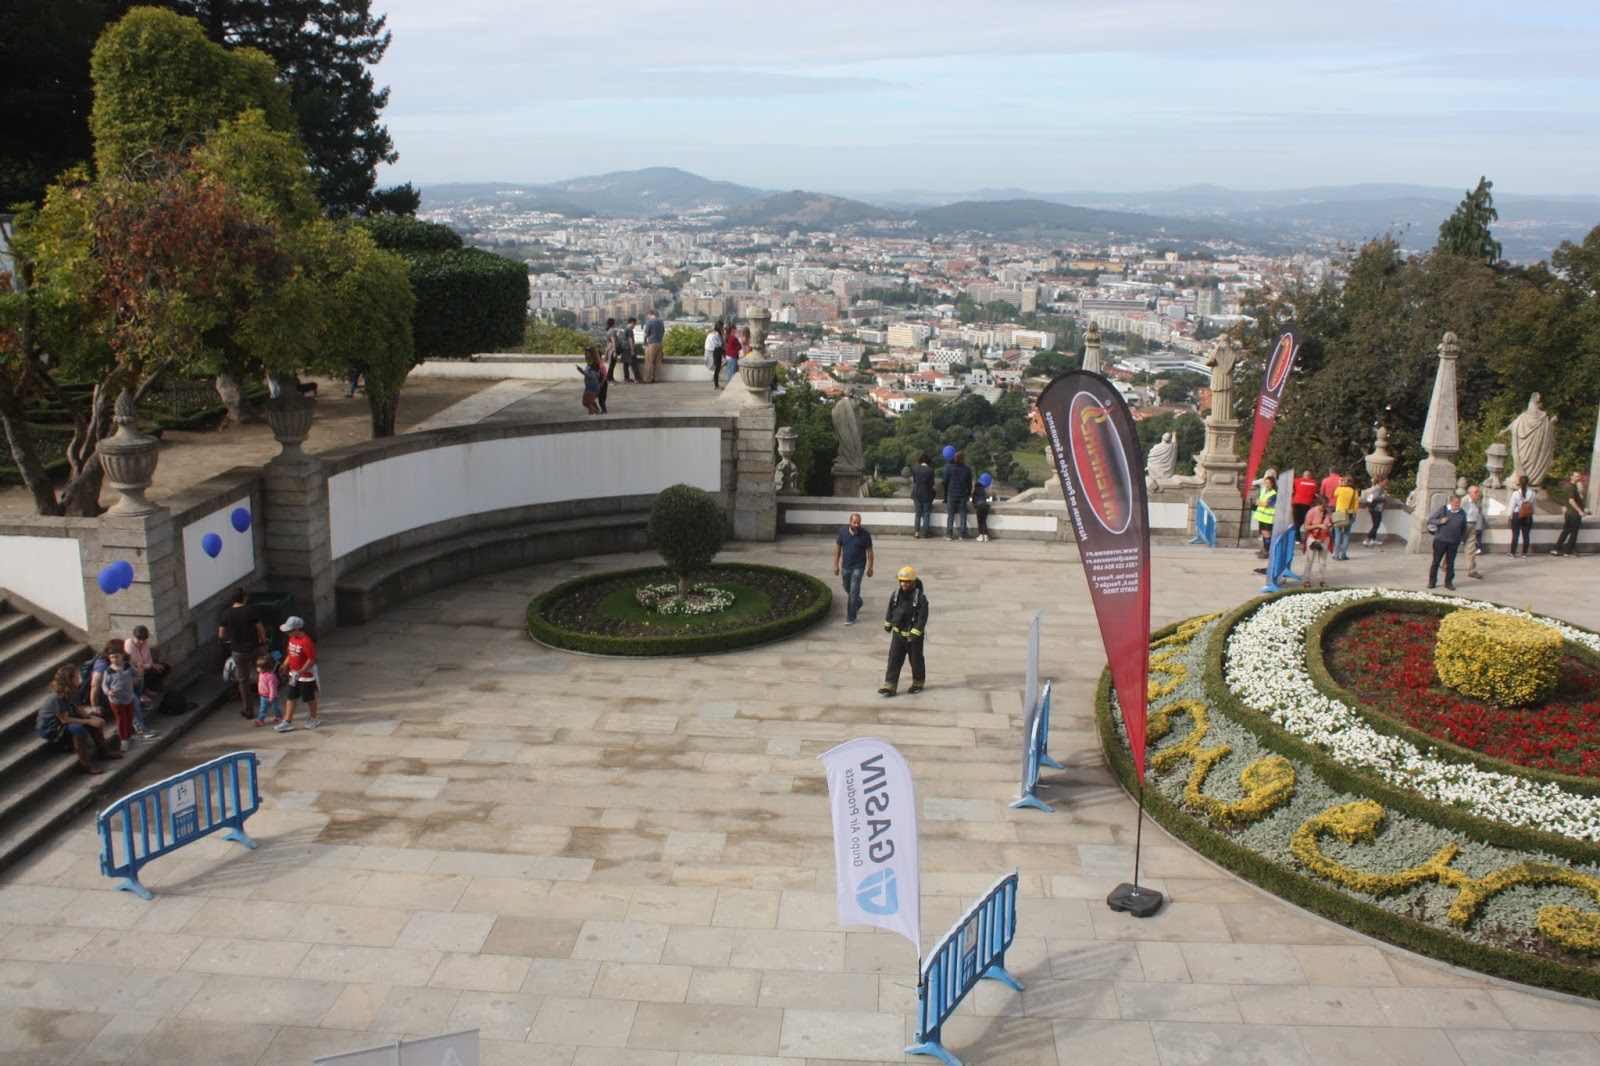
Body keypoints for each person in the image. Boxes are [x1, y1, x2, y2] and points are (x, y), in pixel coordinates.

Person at [36, 664, 122, 775]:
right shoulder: (56, 697)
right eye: (76, 677)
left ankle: (104, 751)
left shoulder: (72, 690)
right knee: (79, 728)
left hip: (65, 719)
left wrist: (91, 718)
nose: (79, 678)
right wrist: (88, 721)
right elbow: (64, 720)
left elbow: (77, 708)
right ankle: (85, 765)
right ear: (69, 679)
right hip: (51, 727)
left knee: (94, 722)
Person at [879, 566, 928, 697]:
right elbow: (890, 610)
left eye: (906, 582)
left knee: (916, 661)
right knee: (893, 660)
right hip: (898, 636)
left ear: (912, 582)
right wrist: (888, 624)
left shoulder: (920, 598)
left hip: (914, 639)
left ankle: (918, 683)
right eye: (901, 581)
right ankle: (890, 686)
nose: (903, 584)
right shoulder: (896, 595)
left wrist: (913, 634)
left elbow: (922, 618)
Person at [218, 587, 267, 715]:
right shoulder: (250, 610)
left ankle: (248, 710)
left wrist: (229, 640)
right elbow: (260, 629)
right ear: (244, 597)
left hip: (238, 651)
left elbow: (221, 634)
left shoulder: (226, 613)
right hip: (255, 648)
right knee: (264, 673)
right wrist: (263, 642)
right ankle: (269, 701)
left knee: (243, 680)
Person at [276, 616, 320, 731]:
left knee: (309, 697)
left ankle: (314, 718)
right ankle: (287, 721)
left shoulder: (306, 642)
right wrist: (285, 665)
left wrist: (302, 671)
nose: (288, 633)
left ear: (297, 629)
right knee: (291, 697)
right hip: (294, 674)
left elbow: (311, 659)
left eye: (290, 631)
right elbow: (290, 654)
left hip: (306, 676)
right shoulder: (292, 639)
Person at [832, 513, 874, 626]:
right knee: (847, 587)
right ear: (850, 522)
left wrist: (870, 567)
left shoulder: (865, 535)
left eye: (858, 523)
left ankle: (851, 617)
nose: (856, 525)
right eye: (854, 522)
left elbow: (870, 551)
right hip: (846, 566)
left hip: (859, 566)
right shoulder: (843, 532)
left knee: (854, 590)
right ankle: (858, 602)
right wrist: (835, 565)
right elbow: (838, 548)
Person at [99, 642, 140, 753]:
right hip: (116, 700)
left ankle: (130, 734)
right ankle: (124, 739)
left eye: (117, 656)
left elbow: (136, 673)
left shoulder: (127, 666)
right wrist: (108, 692)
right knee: (121, 719)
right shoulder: (109, 671)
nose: (115, 659)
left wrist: (140, 670)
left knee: (129, 716)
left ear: (122, 656)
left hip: (128, 697)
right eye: (112, 657)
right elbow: (104, 684)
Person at [1425, 494, 1468, 590]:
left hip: (1454, 542)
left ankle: (1448, 582)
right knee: (1436, 562)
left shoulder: (1462, 513)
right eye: (1456, 502)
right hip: (1440, 541)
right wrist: (1440, 521)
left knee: (1450, 563)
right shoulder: (1442, 510)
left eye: (1459, 503)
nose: (1458, 504)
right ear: (1451, 502)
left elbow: (1464, 527)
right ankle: (1432, 581)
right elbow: (1431, 520)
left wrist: (1460, 538)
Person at [1552, 469, 1590, 556]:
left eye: (1579, 476)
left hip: (1570, 513)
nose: (1578, 478)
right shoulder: (1571, 487)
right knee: (1573, 533)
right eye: (1576, 476)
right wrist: (1580, 511)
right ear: (1571, 477)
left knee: (1566, 531)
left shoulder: (1571, 486)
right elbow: (1571, 500)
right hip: (1573, 513)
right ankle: (1568, 551)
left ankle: (1557, 548)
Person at [1301, 494, 1333, 587]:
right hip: (1313, 537)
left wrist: (1329, 526)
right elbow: (1306, 527)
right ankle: (1307, 580)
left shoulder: (1328, 512)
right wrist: (1318, 526)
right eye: (1323, 506)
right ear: (1318, 504)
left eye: (1326, 506)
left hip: (1324, 537)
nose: (1324, 508)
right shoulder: (1311, 512)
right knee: (1310, 559)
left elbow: (1331, 523)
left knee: (1322, 561)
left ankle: (1322, 580)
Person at [942, 451, 973, 540]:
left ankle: (949, 534)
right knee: (963, 514)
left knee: (950, 514)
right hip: (962, 493)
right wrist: (968, 493)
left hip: (951, 493)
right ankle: (962, 534)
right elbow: (969, 484)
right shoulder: (967, 469)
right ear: (963, 459)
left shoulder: (949, 467)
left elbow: (945, 481)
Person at [1331, 474, 1359, 560]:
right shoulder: (1354, 491)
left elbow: (1335, 494)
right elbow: (1356, 505)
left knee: (1338, 534)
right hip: (1349, 513)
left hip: (1339, 513)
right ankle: (1343, 554)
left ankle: (1336, 555)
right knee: (1346, 534)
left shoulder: (1340, 489)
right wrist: (1355, 514)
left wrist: (1340, 484)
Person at [1507, 474, 1535, 557]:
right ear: (1528, 483)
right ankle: (1524, 553)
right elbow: (1533, 506)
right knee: (1526, 535)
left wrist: (1509, 516)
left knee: (1515, 534)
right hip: (1528, 516)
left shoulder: (1516, 493)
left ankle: (1512, 552)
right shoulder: (1532, 493)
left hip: (1517, 515)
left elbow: (1512, 506)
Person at [1252, 473, 1278, 558]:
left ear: (1272, 484)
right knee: (1263, 533)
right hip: (1261, 516)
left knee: (1267, 534)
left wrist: (1260, 503)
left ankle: (1268, 550)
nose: (1267, 485)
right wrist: (1261, 503)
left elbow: (1265, 504)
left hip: (1268, 517)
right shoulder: (1263, 490)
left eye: (1268, 483)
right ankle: (1264, 548)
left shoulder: (1273, 493)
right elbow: (1257, 501)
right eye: (1265, 483)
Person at [909, 455, 936, 539]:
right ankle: (926, 533)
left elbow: (914, 481)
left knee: (917, 514)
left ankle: (917, 532)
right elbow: (932, 483)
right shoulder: (931, 470)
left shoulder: (915, 469)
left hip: (917, 493)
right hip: (927, 494)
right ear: (928, 461)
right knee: (926, 514)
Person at [1463, 484, 1487, 579]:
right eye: (1476, 492)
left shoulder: (1476, 502)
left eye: (1478, 492)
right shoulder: (1465, 500)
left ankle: (1471, 570)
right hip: (1464, 525)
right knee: (1453, 545)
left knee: (1471, 548)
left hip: (1473, 525)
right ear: (1470, 493)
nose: (1478, 494)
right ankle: (1444, 563)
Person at [254, 654, 283, 727]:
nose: (257, 668)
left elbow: (272, 687)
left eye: (259, 667)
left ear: (265, 668)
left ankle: (279, 716)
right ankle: (260, 719)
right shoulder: (261, 674)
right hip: (263, 695)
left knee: (275, 707)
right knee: (262, 708)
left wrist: (272, 696)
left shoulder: (271, 676)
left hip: (271, 695)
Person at [1362, 477, 1389, 546]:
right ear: (1381, 482)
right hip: (1376, 509)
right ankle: (1367, 539)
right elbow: (1376, 497)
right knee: (1376, 525)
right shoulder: (1378, 489)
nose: (1386, 483)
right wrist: (1384, 496)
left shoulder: (1377, 488)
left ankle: (1373, 539)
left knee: (1375, 525)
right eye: (1385, 482)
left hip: (1373, 508)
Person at [1291, 471, 1317, 542]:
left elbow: (1291, 487)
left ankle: (1297, 538)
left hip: (1297, 503)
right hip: (1307, 504)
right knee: (1306, 521)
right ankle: (1308, 537)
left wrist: (1293, 493)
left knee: (1296, 521)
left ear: (1303, 475)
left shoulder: (1297, 480)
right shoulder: (1314, 482)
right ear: (1310, 476)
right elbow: (1313, 494)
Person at [642, 309, 665, 383]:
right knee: (658, 362)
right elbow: (663, 331)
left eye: (647, 316)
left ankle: (647, 378)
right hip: (660, 342)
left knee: (649, 361)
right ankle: (657, 378)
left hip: (652, 343)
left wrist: (644, 343)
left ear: (649, 314)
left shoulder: (649, 322)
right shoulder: (661, 321)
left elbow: (646, 334)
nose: (647, 317)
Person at [580, 346, 603, 415]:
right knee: (585, 402)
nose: (585, 355)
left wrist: (583, 372)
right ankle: (598, 413)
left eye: (587, 354)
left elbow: (592, 376)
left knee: (589, 403)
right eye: (585, 354)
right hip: (589, 385)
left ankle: (592, 416)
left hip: (593, 385)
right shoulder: (589, 363)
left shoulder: (594, 364)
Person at [619, 318, 640, 383]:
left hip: (624, 348)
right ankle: (637, 378)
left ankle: (626, 377)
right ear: (632, 323)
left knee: (625, 364)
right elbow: (630, 340)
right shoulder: (630, 330)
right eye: (635, 324)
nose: (635, 326)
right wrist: (632, 349)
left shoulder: (625, 329)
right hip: (629, 348)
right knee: (634, 363)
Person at [705, 322, 726, 390]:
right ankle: (716, 385)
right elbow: (719, 344)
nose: (723, 329)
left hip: (714, 351)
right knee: (716, 368)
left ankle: (716, 384)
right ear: (720, 327)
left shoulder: (715, 333)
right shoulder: (715, 334)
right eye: (722, 327)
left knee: (717, 369)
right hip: (713, 351)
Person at [973, 475, 993, 542]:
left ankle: (981, 535)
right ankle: (986, 536)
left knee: (980, 521)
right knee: (984, 521)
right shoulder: (983, 491)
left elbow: (974, 500)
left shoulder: (976, 490)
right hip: (985, 507)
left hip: (979, 507)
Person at [724, 318, 742, 385]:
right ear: (732, 329)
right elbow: (739, 347)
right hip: (733, 356)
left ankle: (729, 384)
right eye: (735, 329)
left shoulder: (727, 337)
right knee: (732, 373)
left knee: (729, 371)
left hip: (728, 356)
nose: (735, 330)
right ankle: (731, 384)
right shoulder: (733, 338)